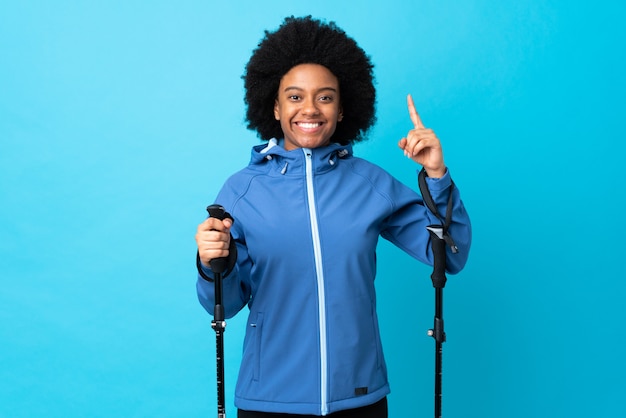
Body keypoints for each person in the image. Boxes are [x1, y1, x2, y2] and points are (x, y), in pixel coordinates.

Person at [195, 16, 471, 418]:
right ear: (273, 105)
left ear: (342, 110)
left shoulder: (370, 184)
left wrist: (436, 175)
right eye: (294, 97)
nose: (310, 108)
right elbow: (225, 302)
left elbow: (451, 254)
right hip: (270, 398)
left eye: (325, 97)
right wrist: (212, 261)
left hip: (359, 395)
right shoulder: (241, 191)